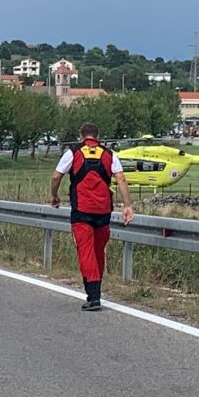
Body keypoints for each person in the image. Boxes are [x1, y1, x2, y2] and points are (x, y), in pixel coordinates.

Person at [50, 123, 134, 312]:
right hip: (103, 210)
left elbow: (56, 177)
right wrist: (127, 205)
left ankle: (93, 296)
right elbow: (121, 179)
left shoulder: (73, 152)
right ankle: (96, 290)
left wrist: (55, 196)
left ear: (81, 136)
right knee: (98, 251)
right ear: (98, 136)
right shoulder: (109, 154)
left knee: (85, 251)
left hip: (81, 210)